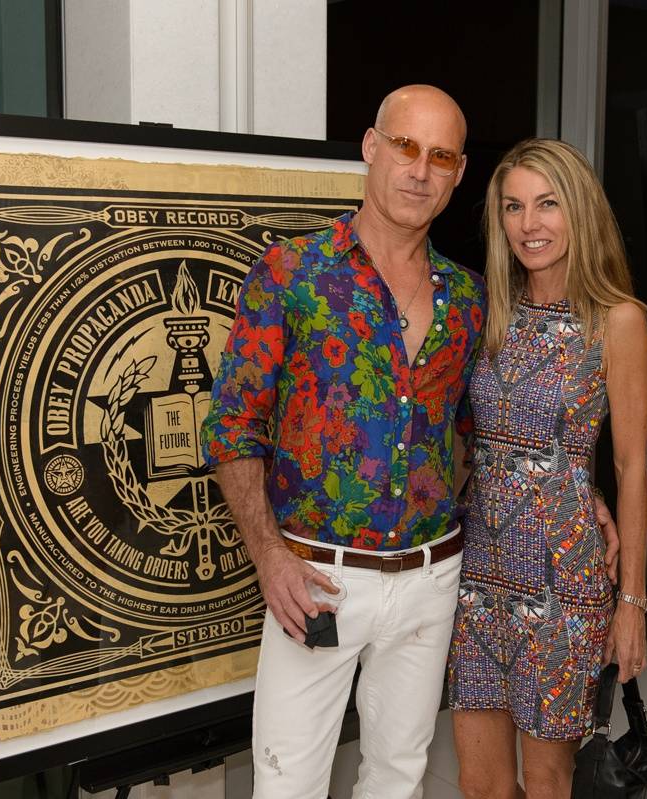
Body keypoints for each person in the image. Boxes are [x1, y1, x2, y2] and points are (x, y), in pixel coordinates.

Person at [201, 84, 484, 799]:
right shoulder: (292, 272)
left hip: (430, 580)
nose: (419, 170)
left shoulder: (468, 298)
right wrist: (270, 556)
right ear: (370, 147)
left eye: (440, 156)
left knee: (398, 775)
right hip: (314, 582)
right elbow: (231, 425)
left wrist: (584, 493)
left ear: (458, 173)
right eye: (406, 146)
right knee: (287, 783)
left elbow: (482, 431)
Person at [447, 139, 647, 799]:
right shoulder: (488, 309)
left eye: (547, 204)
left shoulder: (617, 321)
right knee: (480, 783)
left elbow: (633, 466)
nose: (528, 224)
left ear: (579, 211)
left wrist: (632, 602)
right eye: (513, 207)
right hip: (478, 575)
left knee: (546, 782)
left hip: (562, 582)